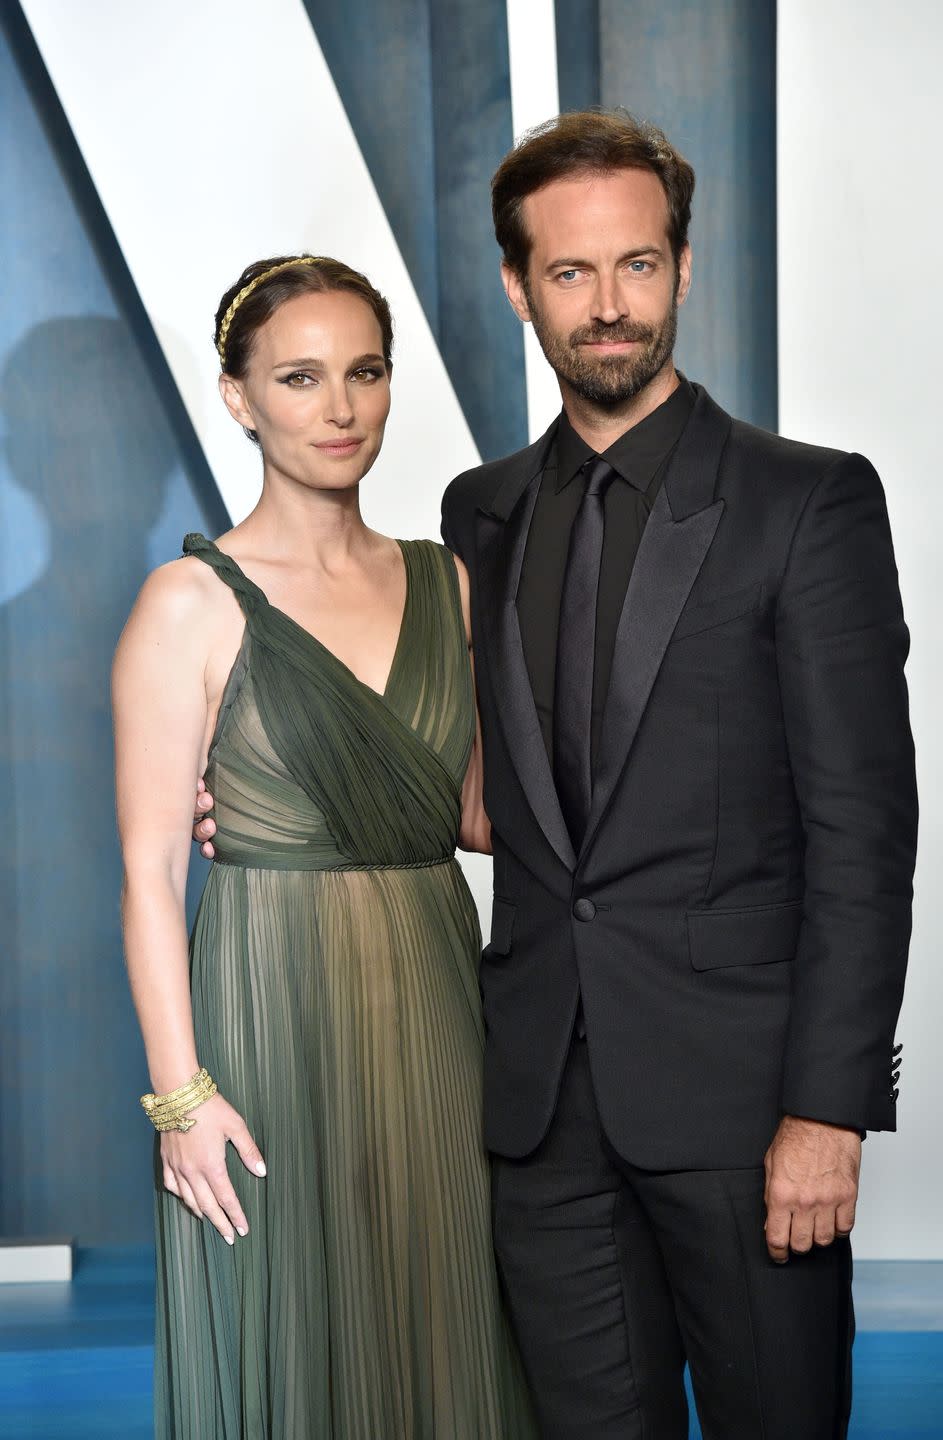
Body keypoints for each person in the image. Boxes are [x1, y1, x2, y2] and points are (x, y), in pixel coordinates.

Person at [194, 114, 918, 1437]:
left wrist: (827, 1110)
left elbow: (863, 826)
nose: (608, 306)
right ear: (520, 287)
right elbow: (488, 797)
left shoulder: (803, 502)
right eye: (571, 275)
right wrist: (274, 798)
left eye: (636, 266)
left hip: (743, 1109)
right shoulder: (481, 511)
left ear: (683, 271)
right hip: (533, 1114)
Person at [113, 254, 537, 1439]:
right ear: (239, 397)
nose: (341, 408)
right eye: (300, 378)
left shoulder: (442, 580)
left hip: (442, 1005)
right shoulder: (186, 604)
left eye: (364, 372)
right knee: (288, 1339)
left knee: (447, 1324)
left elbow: (473, 819)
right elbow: (148, 876)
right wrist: (182, 1100)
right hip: (267, 1017)